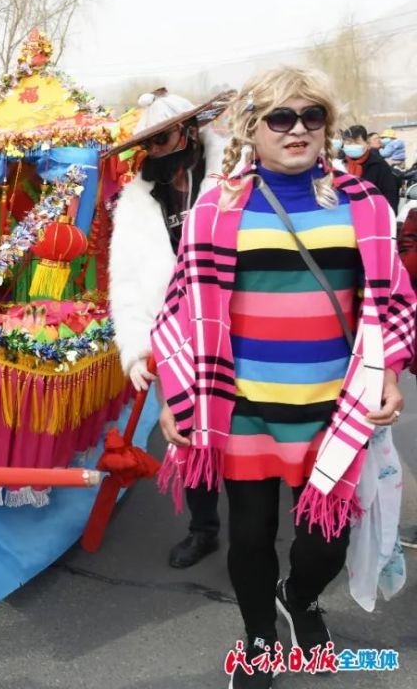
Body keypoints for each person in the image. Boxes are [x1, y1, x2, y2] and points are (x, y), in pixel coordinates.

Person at [152, 66, 415, 689]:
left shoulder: (366, 206)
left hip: (334, 408)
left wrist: (392, 374)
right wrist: (177, 397)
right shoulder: (215, 209)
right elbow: (182, 311)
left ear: (325, 125)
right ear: (254, 128)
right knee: (248, 539)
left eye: (311, 116)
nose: (298, 129)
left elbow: (396, 302)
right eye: (281, 118)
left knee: (323, 542)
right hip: (243, 407)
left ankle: (299, 596)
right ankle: (261, 641)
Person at [108, 88, 229, 569]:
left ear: (189, 132)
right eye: (148, 144)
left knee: (242, 432)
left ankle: (254, 530)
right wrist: (136, 349)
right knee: (185, 430)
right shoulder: (137, 201)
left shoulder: (233, 179)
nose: (154, 151)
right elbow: (127, 279)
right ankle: (204, 528)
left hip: (233, 326)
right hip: (174, 333)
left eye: (162, 139)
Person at [344, 125, 399, 214]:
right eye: (349, 143)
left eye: (357, 142)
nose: (352, 146)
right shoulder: (339, 164)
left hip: (372, 214)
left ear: (367, 144)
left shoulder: (378, 165)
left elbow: (390, 195)